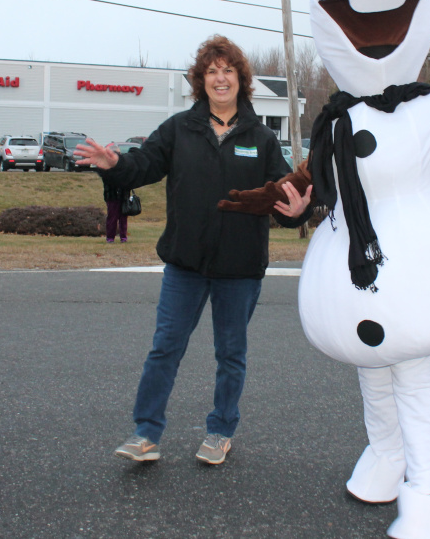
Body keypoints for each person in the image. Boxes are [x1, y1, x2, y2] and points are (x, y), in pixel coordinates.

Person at [74, 35, 312, 465]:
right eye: (211, 71)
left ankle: (220, 430)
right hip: (185, 265)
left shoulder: (260, 137)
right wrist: (115, 165)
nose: (220, 79)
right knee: (165, 347)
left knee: (231, 354)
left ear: (241, 79)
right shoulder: (179, 129)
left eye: (228, 71)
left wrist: (297, 212)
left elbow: (282, 196)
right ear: (200, 81)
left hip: (239, 269)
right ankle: (145, 433)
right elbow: (143, 165)